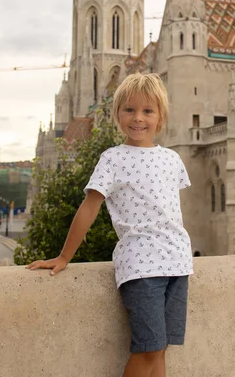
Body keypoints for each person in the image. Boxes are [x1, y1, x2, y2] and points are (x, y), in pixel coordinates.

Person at [27, 73, 193, 377]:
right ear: (117, 114)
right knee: (148, 348)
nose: (138, 118)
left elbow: (171, 211)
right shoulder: (113, 158)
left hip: (178, 263)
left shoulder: (172, 159)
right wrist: (65, 257)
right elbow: (89, 208)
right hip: (142, 266)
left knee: (161, 348)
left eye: (147, 111)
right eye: (129, 110)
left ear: (161, 116)